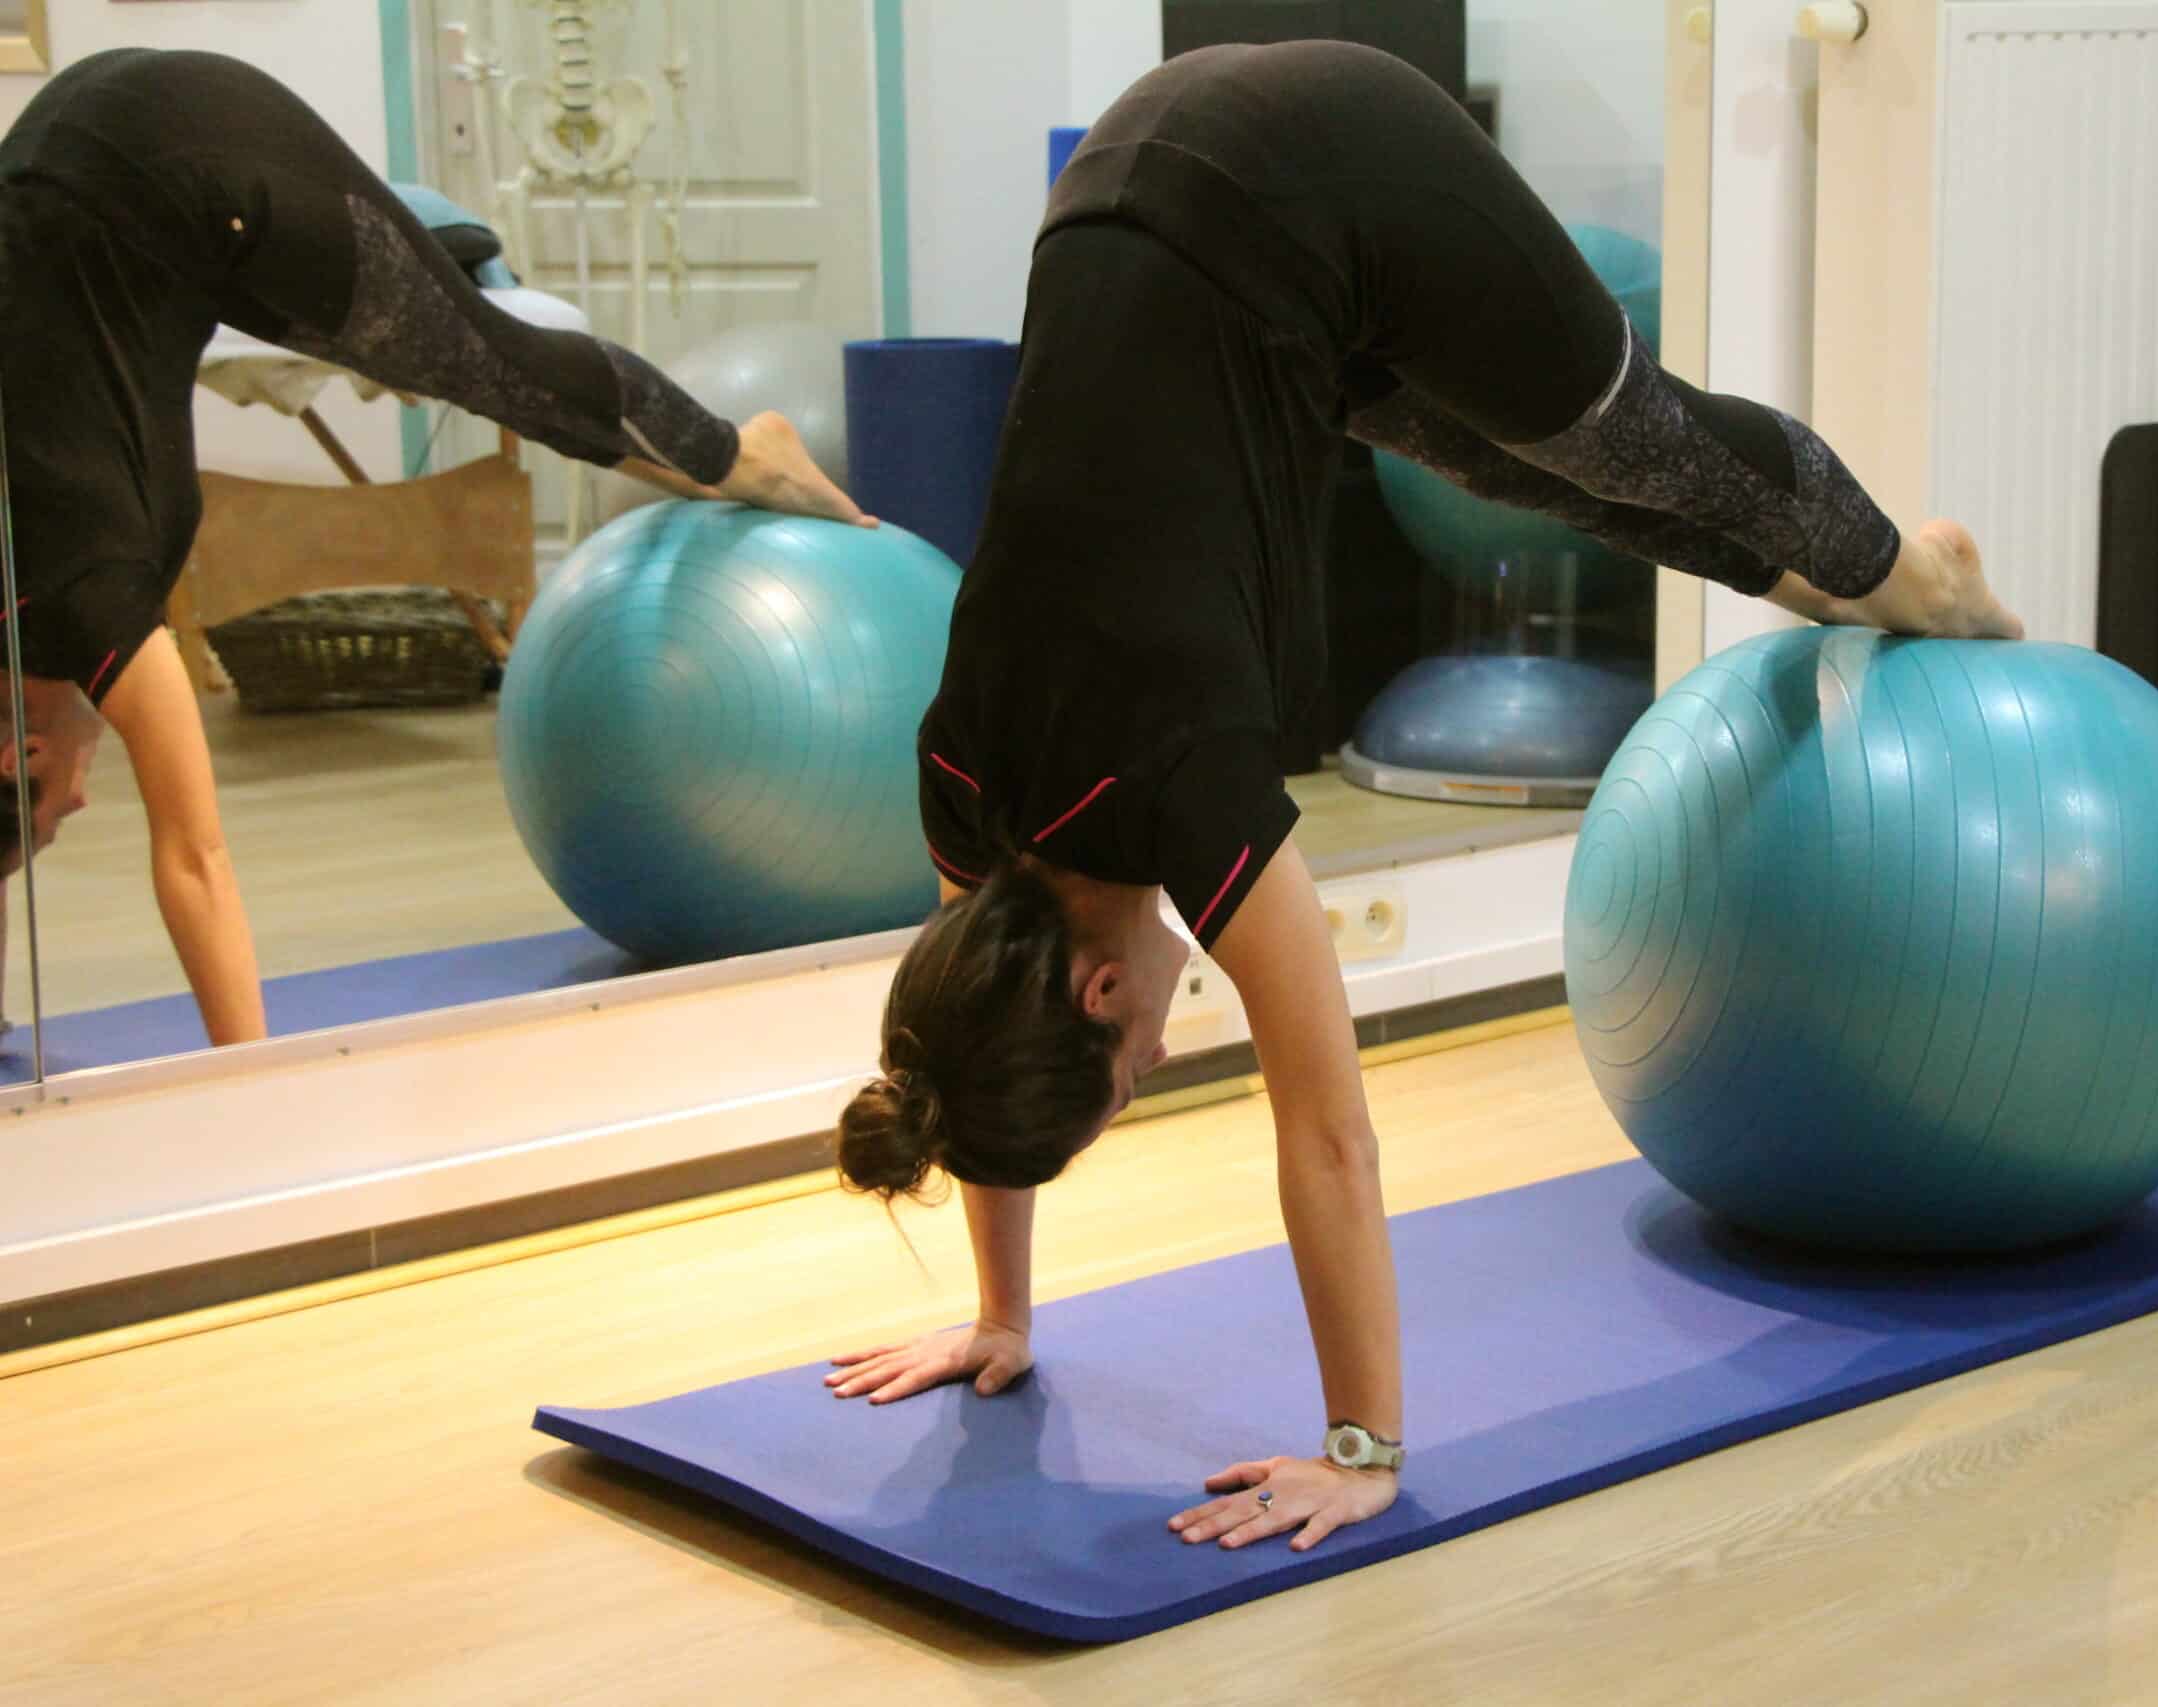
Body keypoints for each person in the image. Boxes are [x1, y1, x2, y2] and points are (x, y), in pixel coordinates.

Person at [828, 42, 2023, 1555]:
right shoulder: (962, 780)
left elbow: (1330, 1138)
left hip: (1317, 154)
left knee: (1634, 443)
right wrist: (1000, 1316)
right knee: (1531, 475)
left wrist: (1362, 1451)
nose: (1158, 1056)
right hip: (1148, 190)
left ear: (1103, 989)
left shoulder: (1185, 779)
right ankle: (1854, 584)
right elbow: (963, 1044)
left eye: (1128, 1071)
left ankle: (1917, 574)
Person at [0, 47, 866, 1046]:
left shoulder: (87, 600)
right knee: (393, 322)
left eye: (52, 818)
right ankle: (434, 246)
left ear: (25, 752)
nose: (79, 806)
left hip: (187, 150)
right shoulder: (42, 595)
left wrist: (255, 1092)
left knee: (491, 362)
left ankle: (745, 450)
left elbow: (195, 862)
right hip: (79, 156)